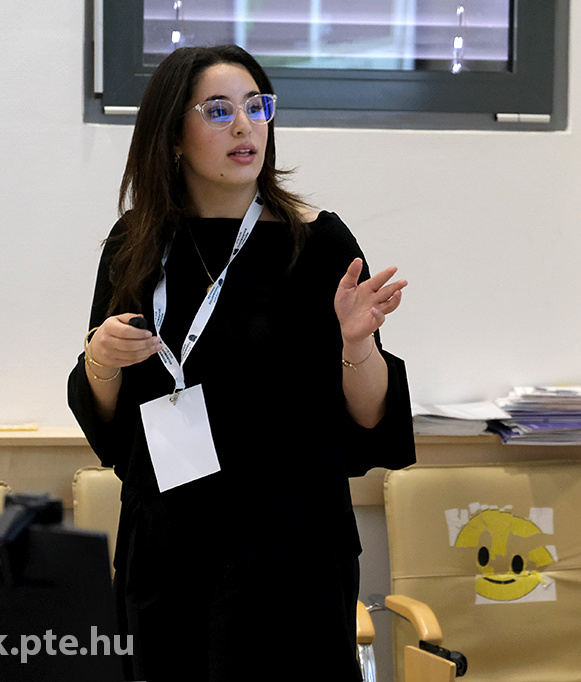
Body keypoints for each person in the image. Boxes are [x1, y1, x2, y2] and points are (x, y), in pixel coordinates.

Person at [68, 44, 415, 681]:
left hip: (290, 551)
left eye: (257, 107)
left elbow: (370, 420)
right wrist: (101, 360)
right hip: (168, 546)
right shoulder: (135, 243)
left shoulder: (318, 242)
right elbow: (109, 426)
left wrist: (357, 345)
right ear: (174, 135)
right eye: (219, 110)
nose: (245, 125)